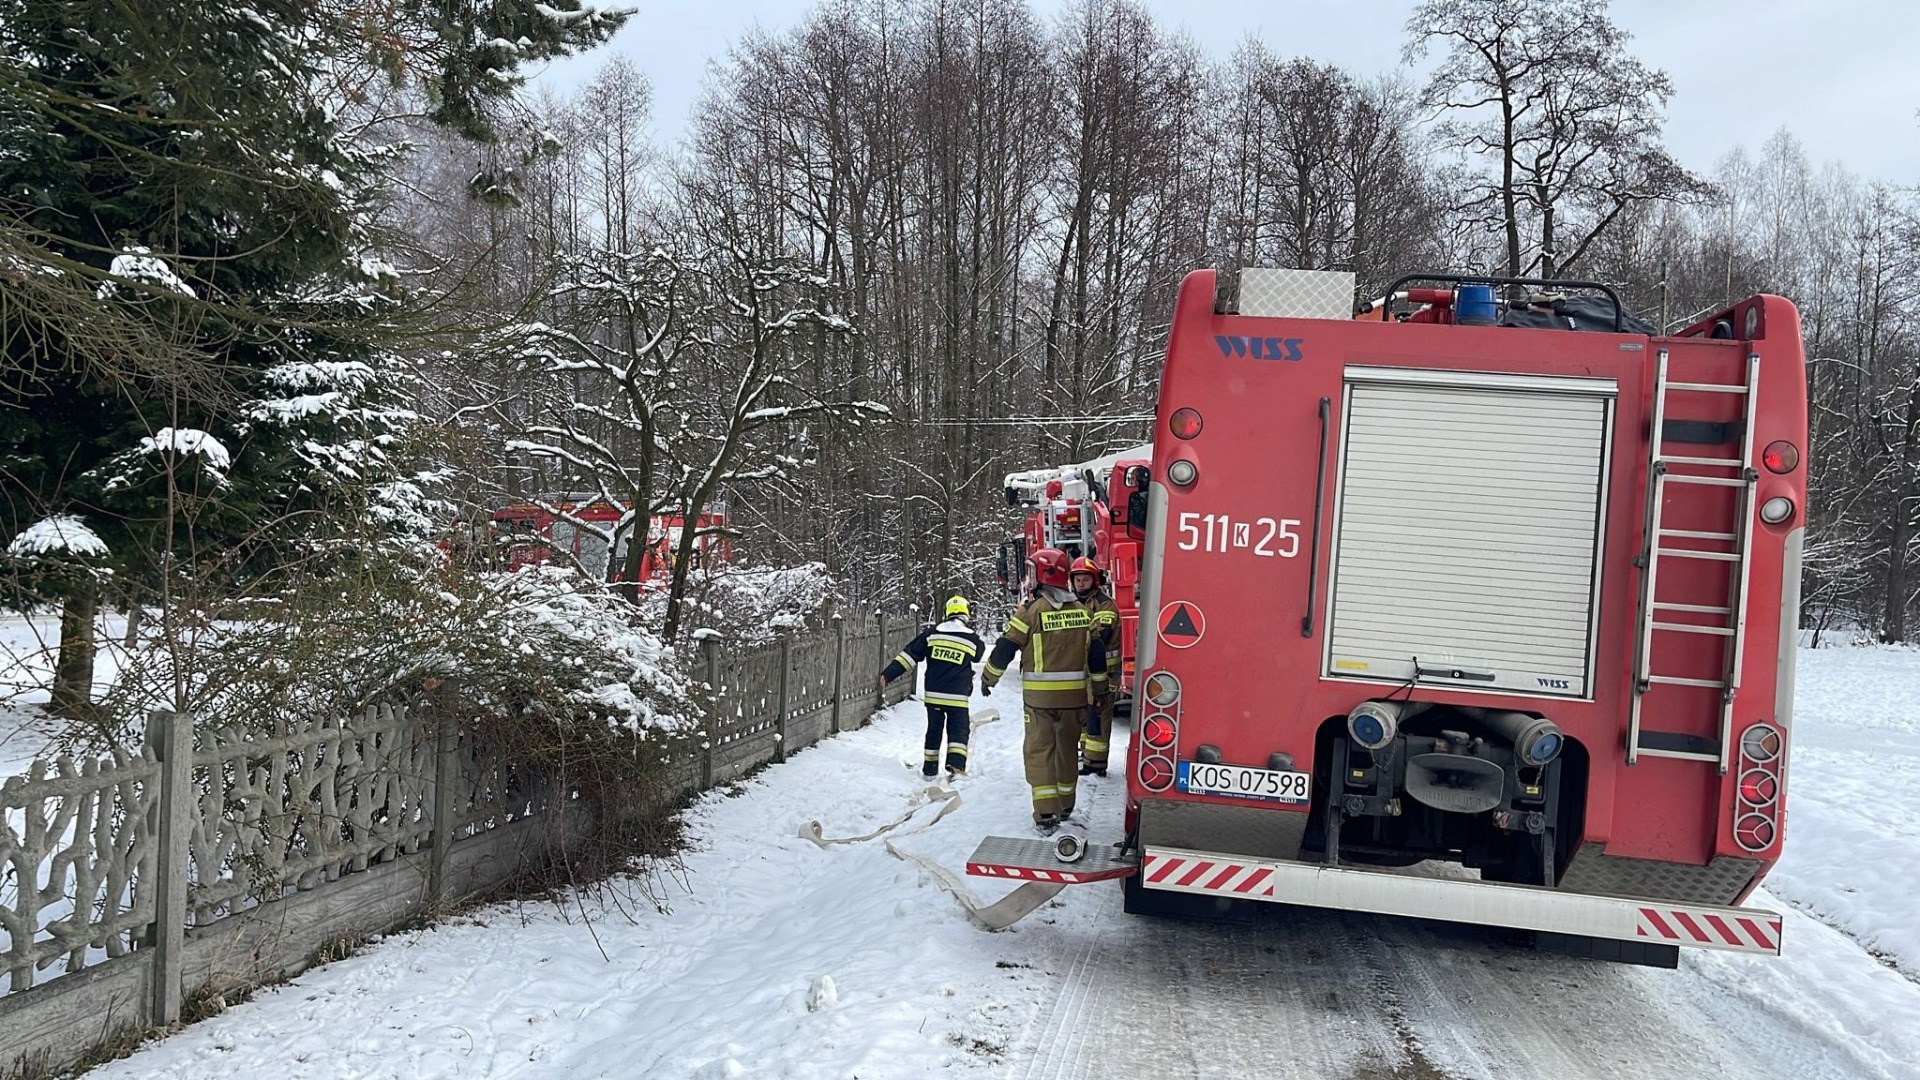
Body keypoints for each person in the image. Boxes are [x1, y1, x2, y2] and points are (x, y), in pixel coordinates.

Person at [981, 548, 1107, 833]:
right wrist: (1099, 693)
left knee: (1039, 753)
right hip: (1074, 701)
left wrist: (989, 678)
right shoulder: (1084, 613)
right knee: (1066, 752)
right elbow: (1096, 657)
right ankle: (1065, 805)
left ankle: (1046, 813)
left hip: (1040, 703)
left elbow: (1005, 648)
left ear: (1042, 574)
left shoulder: (1031, 612)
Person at [880, 594, 983, 779]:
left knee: (934, 730)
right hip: (958, 696)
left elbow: (909, 655)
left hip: (934, 695)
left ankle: (929, 770)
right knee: (958, 730)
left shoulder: (932, 634)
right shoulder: (972, 639)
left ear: (946, 613)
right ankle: (956, 767)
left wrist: (889, 674)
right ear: (966, 615)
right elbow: (979, 655)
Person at [1070, 556, 1120, 777]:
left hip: (1106, 672)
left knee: (1099, 715)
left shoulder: (1105, 603)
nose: (1081, 583)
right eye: (1078, 579)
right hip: (1086, 671)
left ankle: (1096, 763)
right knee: (1085, 713)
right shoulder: (1074, 603)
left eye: (1085, 579)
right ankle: (1086, 754)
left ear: (1095, 581)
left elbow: (1102, 634)